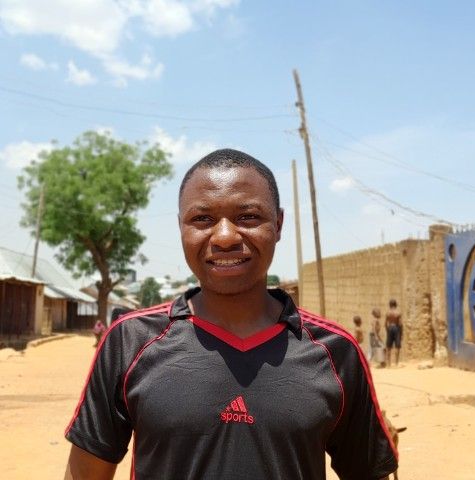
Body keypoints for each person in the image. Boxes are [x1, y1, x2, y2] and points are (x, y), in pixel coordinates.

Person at [64, 149, 398, 480]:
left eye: (248, 217)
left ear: (278, 224)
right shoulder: (130, 342)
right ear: (181, 227)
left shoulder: (335, 352)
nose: (225, 237)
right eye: (202, 219)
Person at [385, 298, 403, 367]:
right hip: (396, 328)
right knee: (397, 346)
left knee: (388, 346)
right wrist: (401, 333)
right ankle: (396, 363)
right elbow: (400, 324)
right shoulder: (398, 313)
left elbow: (385, 323)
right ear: (396, 304)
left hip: (390, 327)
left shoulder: (388, 313)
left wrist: (387, 330)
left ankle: (388, 363)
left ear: (390, 305)